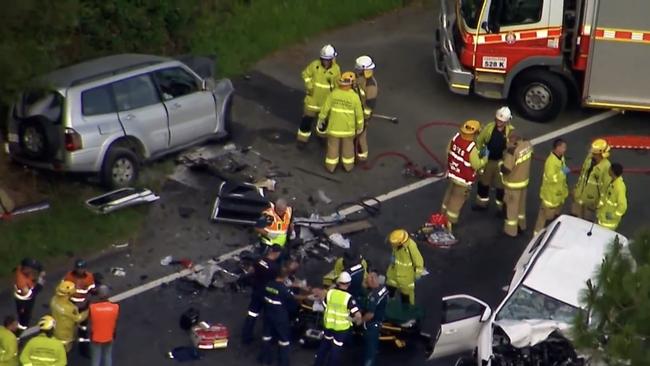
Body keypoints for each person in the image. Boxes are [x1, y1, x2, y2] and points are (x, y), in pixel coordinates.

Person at [441, 120, 487, 230]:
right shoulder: (471, 148)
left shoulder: (455, 138)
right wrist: (485, 158)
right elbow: (476, 165)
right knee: (457, 200)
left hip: (453, 174)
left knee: (449, 194)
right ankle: (449, 222)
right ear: (475, 133)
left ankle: (442, 215)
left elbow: (448, 152)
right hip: (463, 180)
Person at [316, 71, 365, 173]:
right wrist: (360, 126)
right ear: (351, 83)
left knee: (332, 149)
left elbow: (325, 109)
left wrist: (321, 120)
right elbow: (359, 114)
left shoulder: (334, 94)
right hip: (348, 130)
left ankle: (331, 167)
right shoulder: (354, 97)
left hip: (334, 128)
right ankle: (348, 167)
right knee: (348, 149)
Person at [313, 272, 362, 366]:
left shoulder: (330, 293)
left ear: (339, 282)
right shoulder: (348, 298)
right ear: (349, 283)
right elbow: (358, 315)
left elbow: (325, 305)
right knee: (336, 351)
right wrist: (352, 320)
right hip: (341, 329)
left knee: (324, 347)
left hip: (328, 326)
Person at [297, 44, 341, 147]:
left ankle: (321, 138)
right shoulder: (314, 65)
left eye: (328, 60)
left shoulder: (336, 70)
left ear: (332, 59)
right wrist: (309, 84)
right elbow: (305, 74)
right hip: (312, 100)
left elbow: (337, 86)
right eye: (324, 59)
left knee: (323, 124)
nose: (325, 62)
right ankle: (302, 140)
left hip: (325, 102)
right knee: (306, 121)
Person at [474, 106, 514, 211]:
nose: (499, 122)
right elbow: (479, 140)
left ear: (507, 121)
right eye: (497, 120)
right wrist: (480, 153)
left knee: (501, 187)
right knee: (483, 184)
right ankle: (481, 205)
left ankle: (501, 208)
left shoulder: (510, 132)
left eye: (501, 121)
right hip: (488, 161)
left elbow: (512, 147)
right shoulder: (489, 128)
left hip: (501, 162)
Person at [241, 244, 282, 345]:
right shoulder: (275, 267)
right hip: (268, 293)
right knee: (268, 316)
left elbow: (251, 271)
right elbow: (277, 281)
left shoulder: (259, 260)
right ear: (276, 253)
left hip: (256, 290)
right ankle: (268, 337)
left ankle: (246, 336)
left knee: (252, 314)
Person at [258, 268, 299, 366]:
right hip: (280, 317)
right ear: (285, 276)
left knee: (266, 337)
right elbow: (292, 298)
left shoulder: (268, 284)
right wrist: (307, 297)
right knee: (284, 340)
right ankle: (283, 362)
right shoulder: (283, 288)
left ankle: (265, 359)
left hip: (268, 314)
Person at [533, 139, 569, 235]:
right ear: (557, 148)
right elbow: (551, 178)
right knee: (545, 218)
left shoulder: (561, 157)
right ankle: (537, 236)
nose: (565, 149)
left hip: (558, 195)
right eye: (563, 147)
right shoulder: (551, 162)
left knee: (553, 217)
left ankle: (548, 233)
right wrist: (562, 173)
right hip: (550, 196)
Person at [500, 135, 533, 237]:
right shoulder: (528, 145)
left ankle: (511, 231)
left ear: (512, 142)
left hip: (513, 185)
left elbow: (506, 169)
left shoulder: (512, 151)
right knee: (521, 207)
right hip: (523, 182)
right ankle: (521, 226)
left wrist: (500, 164)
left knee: (511, 209)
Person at [571, 139, 611, 221]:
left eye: (594, 153)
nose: (592, 154)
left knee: (586, 222)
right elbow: (583, 175)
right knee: (575, 219)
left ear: (600, 154)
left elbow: (605, 187)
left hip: (591, 201)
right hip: (579, 195)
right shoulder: (589, 159)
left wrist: (600, 203)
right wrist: (576, 188)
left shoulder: (606, 166)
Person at [385, 229, 424, 305]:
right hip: (394, 273)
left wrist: (418, 273)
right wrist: (393, 258)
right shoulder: (397, 245)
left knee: (406, 298)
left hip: (406, 277)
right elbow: (395, 253)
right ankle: (390, 305)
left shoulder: (411, 246)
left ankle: (408, 312)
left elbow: (419, 260)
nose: (392, 245)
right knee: (390, 290)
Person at [50, 281, 88, 352]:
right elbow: (78, 318)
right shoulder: (69, 308)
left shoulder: (54, 300)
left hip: (55, 331)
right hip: (65, 334)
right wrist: (87, 311)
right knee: (64, 352)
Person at [353, 55, 378, 162]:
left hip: (363, 114)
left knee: (361, 136)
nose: (357, 71)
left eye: (359, 69)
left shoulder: (371, 85)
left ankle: (362, 156)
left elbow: (370, 104)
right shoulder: (359, 78)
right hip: (356, 111)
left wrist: (365, 119)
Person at [361, 272, 388, 366]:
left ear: (372, 280)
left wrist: (360, 320)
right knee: (373, 345)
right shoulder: (383, 288)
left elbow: (370, 314)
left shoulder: (373, 296)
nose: (366, 282)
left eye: (367, 280)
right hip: (380, 318)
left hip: (372, 325)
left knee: (370, 349)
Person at [88, 285, 119, 366]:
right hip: (109, 336)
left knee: (95, 359)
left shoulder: (92, 307)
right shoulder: (115, 307)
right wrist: (114, 334)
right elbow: (115, 322)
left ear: (98, 295)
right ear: (108, 295)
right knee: (107, 355)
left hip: (96, 337)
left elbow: (90, 322)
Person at [13, 258, 45, 332]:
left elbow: (38, 267)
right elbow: (30, 294)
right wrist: (40, 283)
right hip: (23, 301)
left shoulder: (22, 269)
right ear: (26, 268)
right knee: (24, 318)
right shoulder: (21, 281)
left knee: (27, 314)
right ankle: (21, 331)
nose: (33, 271)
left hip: (27, 295)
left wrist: (40, 270)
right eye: (31, 269)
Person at [597, 163, 627, 230]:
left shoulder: (619, 187)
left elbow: (623, 206)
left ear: (612, 172)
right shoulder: (612, 182)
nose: (608, 169)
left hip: (609, 223)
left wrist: (613, 215)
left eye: (610, 168)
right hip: (603, 218)